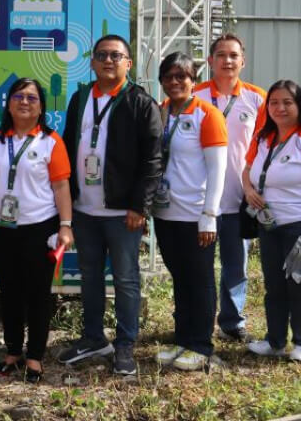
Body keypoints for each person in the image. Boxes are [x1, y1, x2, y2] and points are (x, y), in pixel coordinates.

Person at [59, 34, 162, 376]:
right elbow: (67, 145)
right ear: (91, 62)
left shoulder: (141, 103)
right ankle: (92, 337)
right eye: (102, 55)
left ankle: (125, 345)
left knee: (126, 280)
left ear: (128, 64)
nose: (108, 60)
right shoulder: (80, 98)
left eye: (116, 56)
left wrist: (139, 207)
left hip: (122, 214)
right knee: (89, 277)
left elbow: (152, 161)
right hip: (84, 211)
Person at [0, 78, 73, 383]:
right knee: (10, 293)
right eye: (19, 96)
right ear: (9, 103)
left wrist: (66, 226)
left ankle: (35, 358)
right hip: (5, 228)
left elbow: (60, 186)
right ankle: (13, 352)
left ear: (41, 106)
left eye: (32, 98)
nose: (25, 102)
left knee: (38, 295)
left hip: (40, 227)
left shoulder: (50, 140)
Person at [153, 52, 227, 371]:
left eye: (181, 76)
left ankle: (201, 345)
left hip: (197, 215)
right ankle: (183, 340)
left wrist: (209, 214)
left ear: (193, 80)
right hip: (165, 213)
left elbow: (217, 168)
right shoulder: (159, 113)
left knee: (200, 281)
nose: (175, 82)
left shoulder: (207, 114)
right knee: (180, 279)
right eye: (169, 76)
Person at [194, 34, 265, 341]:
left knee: (235, 267)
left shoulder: (257, 98)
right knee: (199, 269)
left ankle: (232, 324)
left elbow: (267, 148)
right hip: (198, 200)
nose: (227, 60)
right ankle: (197, 323)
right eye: (221, 55)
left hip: (240, 199)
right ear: (210, 61)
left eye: (233, 55)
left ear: (242, 61)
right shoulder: (193, 95)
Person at [243, 80, 301, 361]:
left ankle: (300, 342)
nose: (280, 108)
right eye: (274, 103)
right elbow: (247, 168)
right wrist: (249, 190)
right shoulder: (263, 138)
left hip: (297, 224)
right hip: (269, 224)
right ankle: (275, 340)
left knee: (298, 284)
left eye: (288, 102)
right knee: (274, 284)